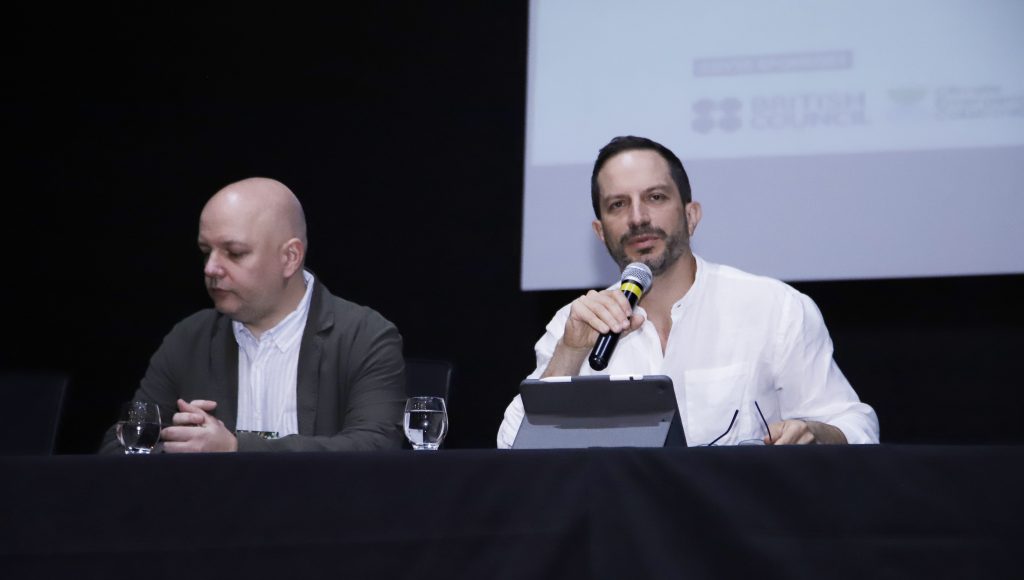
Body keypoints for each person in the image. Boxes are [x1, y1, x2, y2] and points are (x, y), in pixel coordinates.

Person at [497, 136, 879, 448]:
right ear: (601, 232)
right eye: (618, 205)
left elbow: (854, 424)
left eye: (656, 197)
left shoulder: (773, 307)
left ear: (691, 215)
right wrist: (570, 353)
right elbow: (512, 451)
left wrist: (817, 433)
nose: (637, 218)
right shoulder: (575, 324)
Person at [100, 177, 406, 453]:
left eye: (234, 253)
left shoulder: (363, 335)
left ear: (290, 257)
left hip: (324, 513)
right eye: (207, 251)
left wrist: (235, 449)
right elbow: (120, 446)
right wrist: (178, 444)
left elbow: (376, 447)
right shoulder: (188, 338)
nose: (211, 269)